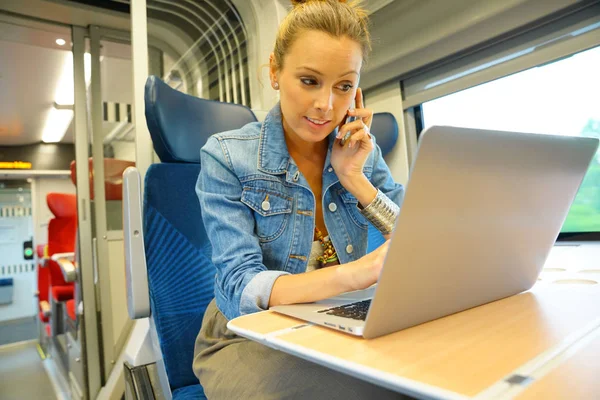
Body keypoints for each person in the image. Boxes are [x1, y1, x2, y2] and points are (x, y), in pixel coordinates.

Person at [193, 0, 407, 398]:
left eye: (343, 86)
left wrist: (355, 179)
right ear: (275, 72)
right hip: (248, 334)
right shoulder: (225, 157)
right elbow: (242, 284)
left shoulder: (360, 152)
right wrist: (355, 275)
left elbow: (417, 240)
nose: (327, 105)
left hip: (334, 320)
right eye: (310, 81)